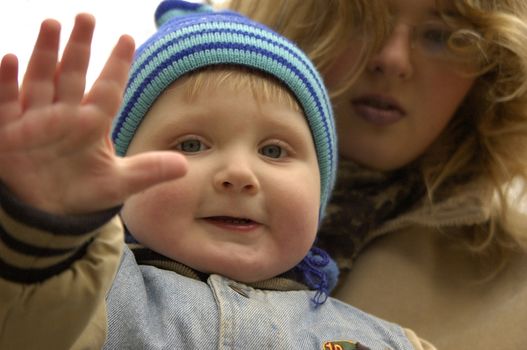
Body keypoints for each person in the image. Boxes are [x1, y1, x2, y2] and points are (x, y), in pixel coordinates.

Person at [0, 1, 435, 349]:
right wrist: (38, 224)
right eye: (191, 145)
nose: (239, 174)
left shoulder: (388, 341)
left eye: (273, 150)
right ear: (117, 175)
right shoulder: (82, 298)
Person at [224, 0, 527, 348]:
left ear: (491, 66)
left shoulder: (516, 291)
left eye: (441, 35)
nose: (393, 59)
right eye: (361, 20)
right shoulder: (162, 211)